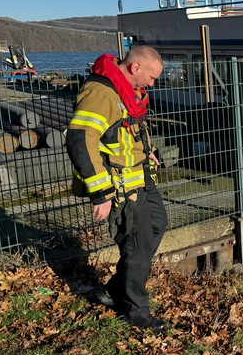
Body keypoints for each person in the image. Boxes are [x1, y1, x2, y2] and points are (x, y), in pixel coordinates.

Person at [66, 45, 168, 331]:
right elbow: (80, 141)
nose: (152, 84)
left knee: (157, 225)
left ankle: (112, 290)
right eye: (151, 77)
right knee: (137, 244)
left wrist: (145, 152)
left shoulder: (126, 90)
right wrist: (101, 193)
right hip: (120, 185)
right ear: (136, 67)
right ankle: (136, 310)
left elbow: (126, 130)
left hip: (140, 176)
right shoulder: (101, 93)